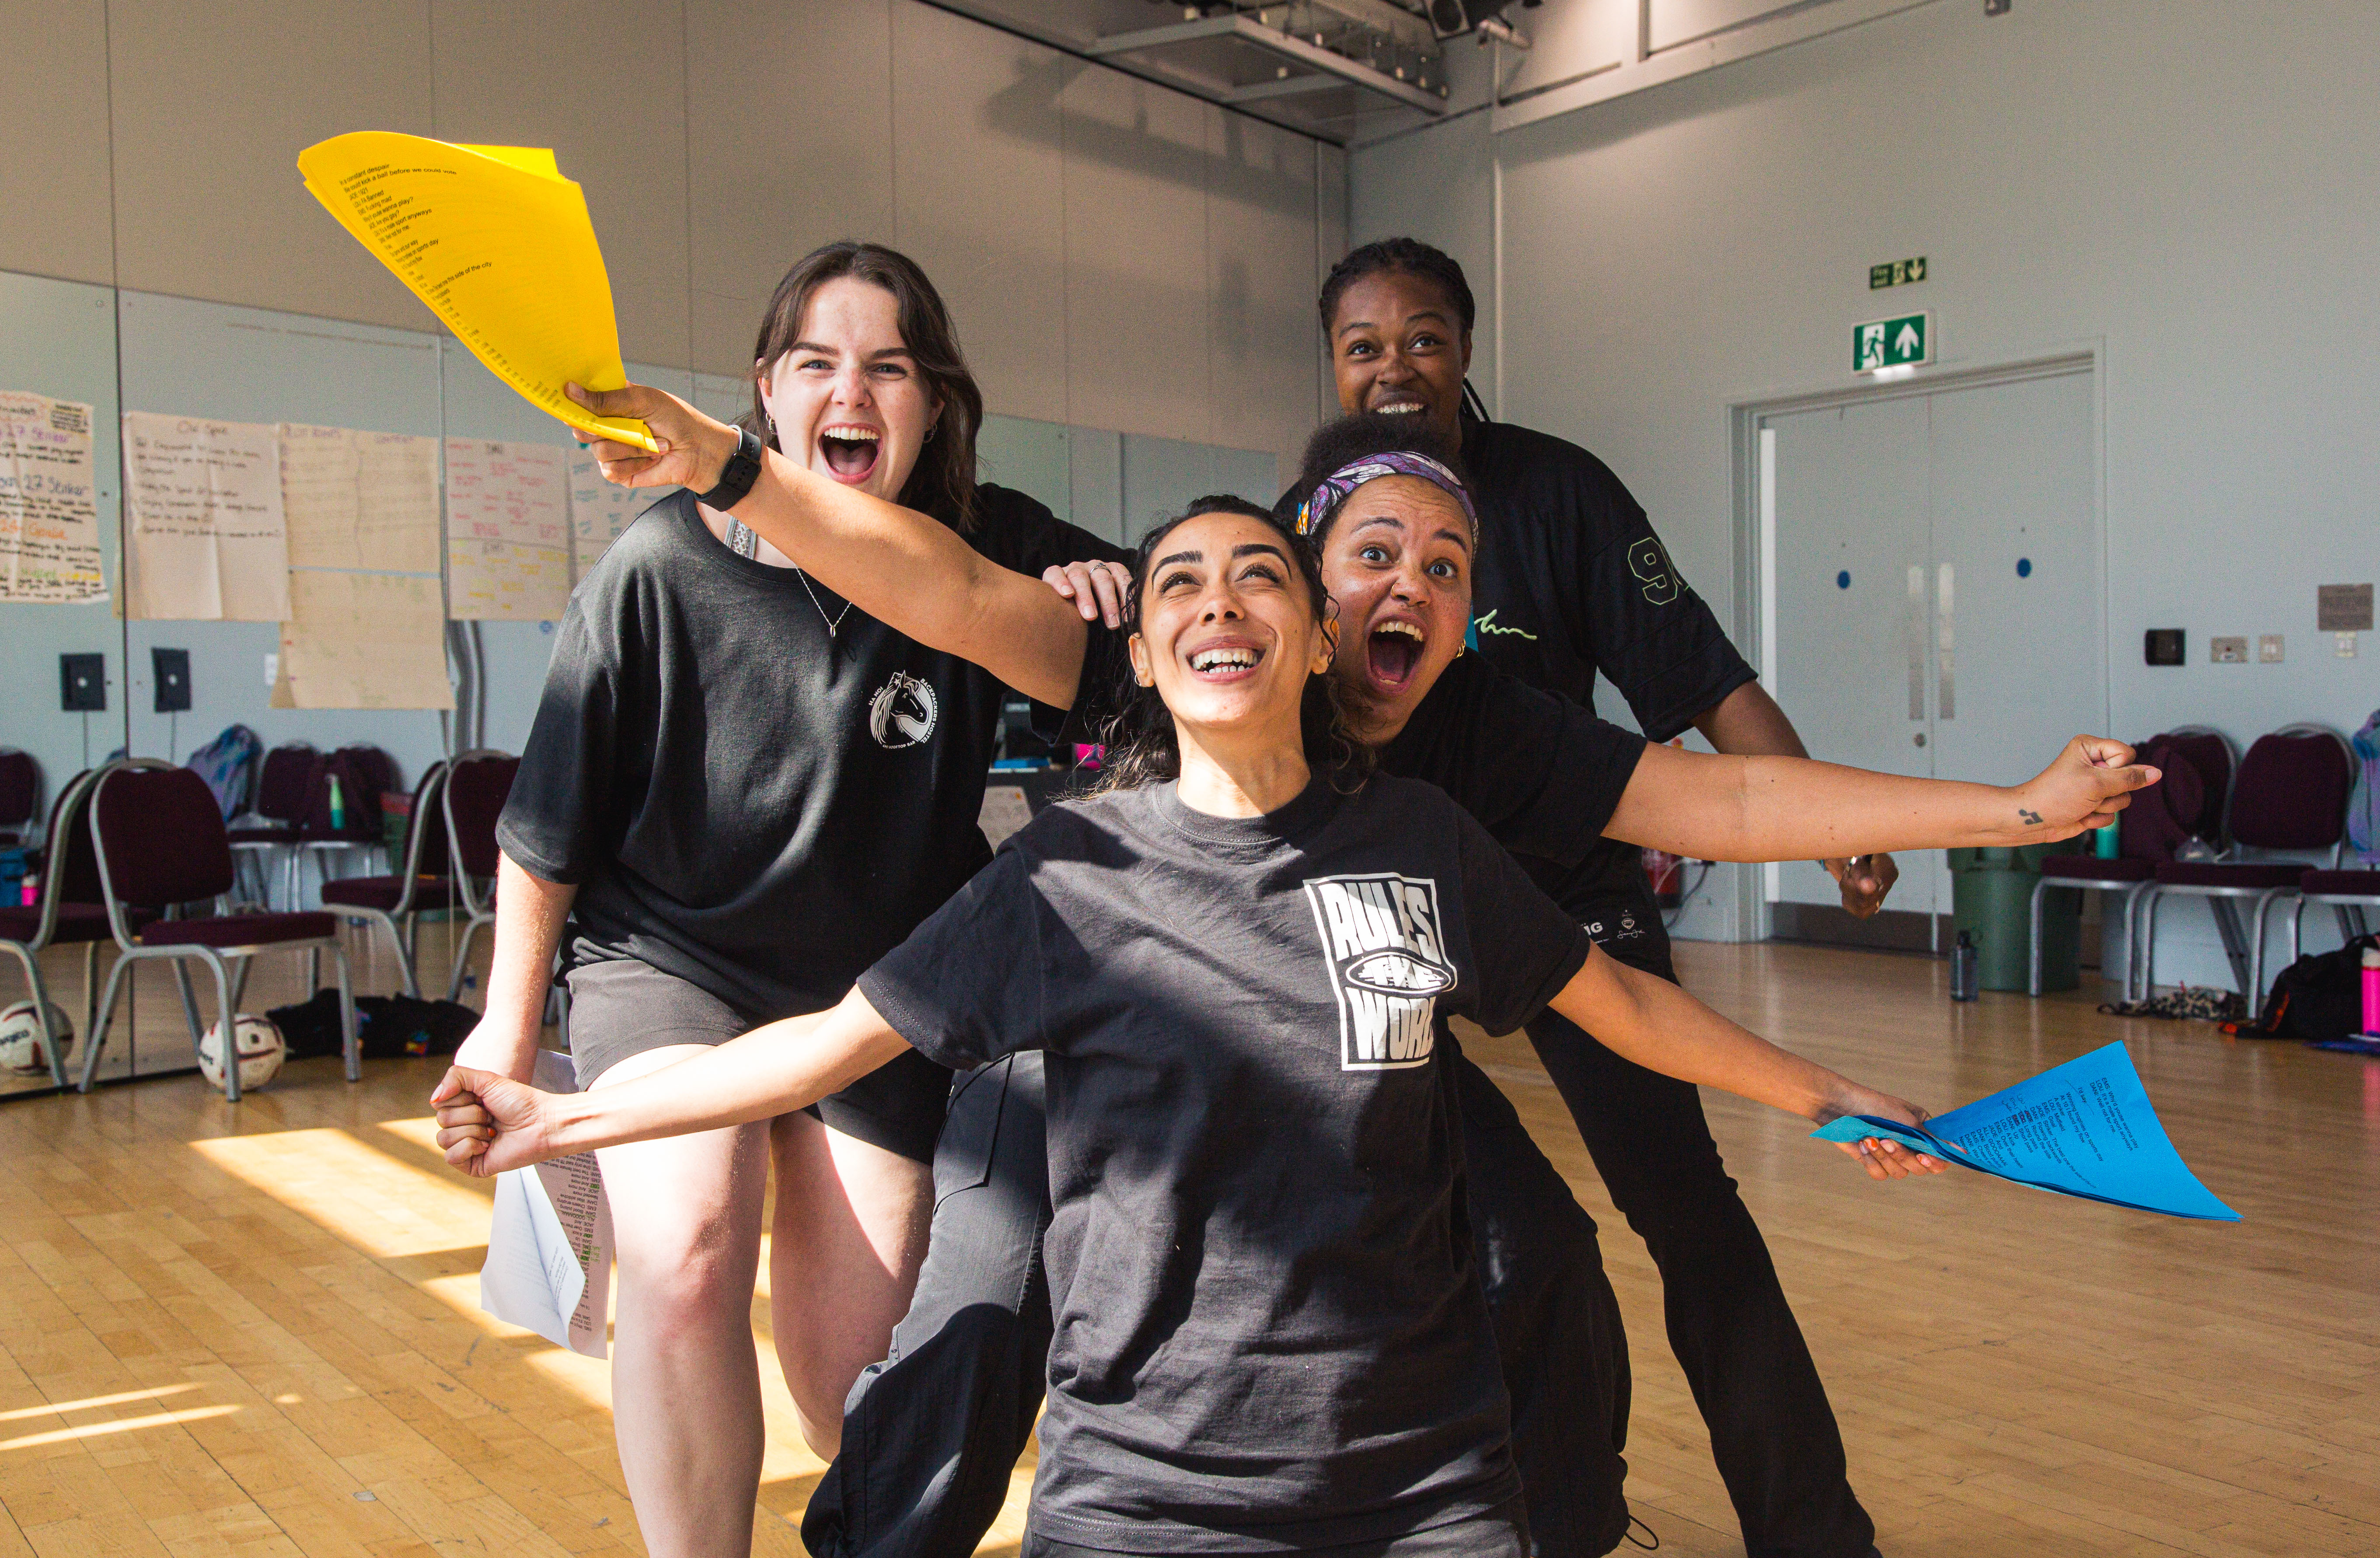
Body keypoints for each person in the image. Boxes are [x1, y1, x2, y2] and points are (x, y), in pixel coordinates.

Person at [547, 385, 2154, 1558]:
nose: (1411, 584)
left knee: (1537, 1254)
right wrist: (732, 468)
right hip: (1093, 1042)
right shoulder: (1171, 637)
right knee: (988, 1317)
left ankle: (1545, 1527)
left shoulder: (1462, 743)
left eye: (1446, 570)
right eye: (1374, 548)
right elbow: (942, 587)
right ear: (1309, 583)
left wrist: (2011, 809)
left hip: (1341, 1029)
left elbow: (1722, 798)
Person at [458, 241, 1126, 1558]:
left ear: (933, 403)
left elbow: (1164, 608)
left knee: (849, 1382)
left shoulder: (996, 543)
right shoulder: (655, 570)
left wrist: (1122, 576)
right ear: (766, 394)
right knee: (688, 1249)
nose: (852, 391)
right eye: (818, 361)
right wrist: (497, 1031)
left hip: (877, 989)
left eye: (888, 366)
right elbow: (542, 836)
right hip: (673, 964)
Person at [1318, 237, 1903, 1558]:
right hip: (1390, 912)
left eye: (1422, 335)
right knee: (1482, 1233)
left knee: (1688, 1211)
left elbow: (1694, 676)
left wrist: (1832, 821)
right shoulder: (1309, 506)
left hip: (1563, 891)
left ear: (1464, 351)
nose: (1395, 364)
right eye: (1363, 343)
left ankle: (1813, 1533)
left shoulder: (1557, 491)